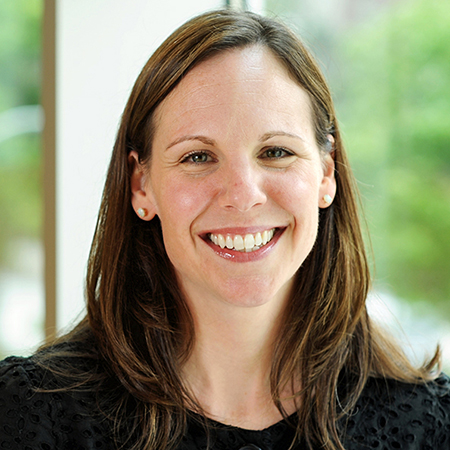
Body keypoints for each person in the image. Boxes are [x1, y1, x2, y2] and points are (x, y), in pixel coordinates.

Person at [0, 9, 449, 450]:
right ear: (141, 185)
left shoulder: (430, 425)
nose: (242, 193)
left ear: (326, 175)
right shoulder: (29, 414)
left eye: (275, 151)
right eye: (198, 157)